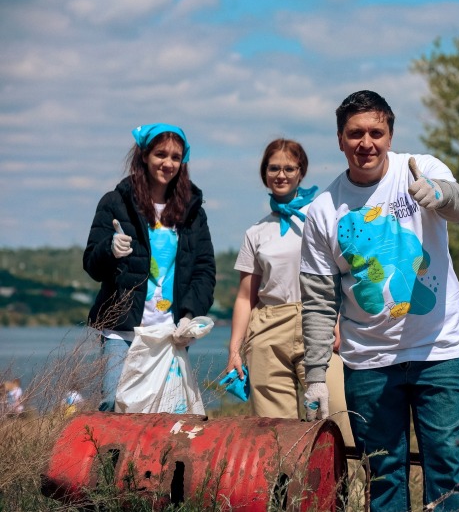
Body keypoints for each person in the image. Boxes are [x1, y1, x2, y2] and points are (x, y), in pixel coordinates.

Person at [300, 90, 459, 511]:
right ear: (340, 140)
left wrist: (441, 194)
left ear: (390, 135)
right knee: (383, 475)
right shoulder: (323, 210)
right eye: (355, 133)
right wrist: (317, 374)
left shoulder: (422, 168)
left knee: (446, 468)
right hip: (369, 363)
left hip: (440, 351)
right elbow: (320, 300)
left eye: (376, 132)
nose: (366, 143)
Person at [223, 138, 353, 444]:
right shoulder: (256, 232)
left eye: (289, 168)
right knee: (274, 435)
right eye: (274, 168)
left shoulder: (321, 218)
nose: (281, 174)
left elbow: (340, 274)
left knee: (336, 419)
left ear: (301, 172)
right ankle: (281, 493)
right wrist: (234, 349)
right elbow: (245, 296)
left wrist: (338, 319)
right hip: (268, 329)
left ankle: (354, 492)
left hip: (317, 320)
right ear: (264, 173)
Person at [83, 123, 216, 412]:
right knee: (113, 406)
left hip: (170, 333)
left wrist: (190, 314)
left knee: (166, 413)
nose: (168, 163)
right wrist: (110, 250)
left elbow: (204, 270)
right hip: (122, 333)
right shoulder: (115, 203)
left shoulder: (192, 212)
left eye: (176, 157)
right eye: (160, 154)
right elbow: (92, 265)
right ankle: (112, 460)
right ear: (144, 155)